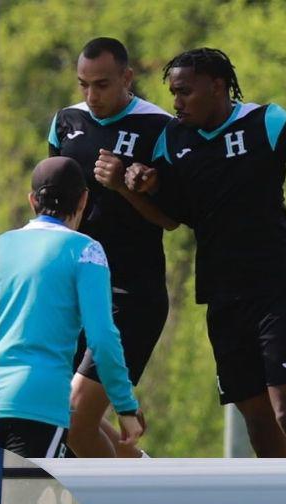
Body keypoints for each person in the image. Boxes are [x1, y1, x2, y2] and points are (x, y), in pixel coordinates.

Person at [125, 48, 286, 457]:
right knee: (257, 420)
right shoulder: (172, 140)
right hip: (223, 298)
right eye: (173, 93)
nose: (177, 102)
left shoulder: (265, 122)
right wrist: (145, 184)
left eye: (185, 91)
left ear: (217, 86)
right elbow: (178, 214)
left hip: (280, 290)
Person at [49, 38, 175, 457]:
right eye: (83, 84)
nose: (92, 96)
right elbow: (56, 209)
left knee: (73, 414)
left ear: (127, 78)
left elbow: (171, 218)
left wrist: (124, 186)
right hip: (74, 292)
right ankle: (144, 472)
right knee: (59, 411)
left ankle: (131, 490)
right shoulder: (65, 122)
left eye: (102, 85)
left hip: (130, 295)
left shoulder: (160, 127)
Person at [0, 156, 144, 457]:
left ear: (32, 200)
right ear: (84, 200)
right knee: (25, 489)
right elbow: (102, 338)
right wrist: (125, 405)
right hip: (40, 404)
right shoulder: (86, 250)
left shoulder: (0, 245)